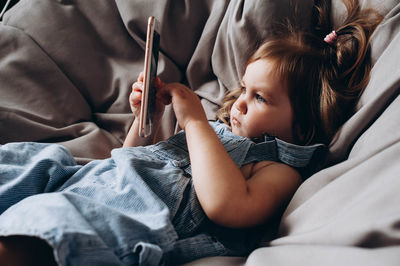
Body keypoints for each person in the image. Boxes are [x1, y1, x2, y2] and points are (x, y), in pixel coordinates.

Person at [0, 0, 382, 265]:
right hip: (93, 180)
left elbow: (225, 205)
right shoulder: (220, 127)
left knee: (47, 222)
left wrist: (196, 123)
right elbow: (127, 160)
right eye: (244, 89)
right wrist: (143, 123)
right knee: (30, 162)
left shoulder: (279, 170)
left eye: (261, 98)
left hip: (134, 217)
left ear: (300, 125)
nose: (240, 102)